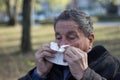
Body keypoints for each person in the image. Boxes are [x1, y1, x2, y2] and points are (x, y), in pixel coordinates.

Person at [19, 9, 120, 80]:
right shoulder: (51, 67)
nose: (62, 44)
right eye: (58, 38)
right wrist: (38, 74)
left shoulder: (112, 66)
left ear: (90, 40)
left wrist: (85, 75)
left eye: (71, 37)